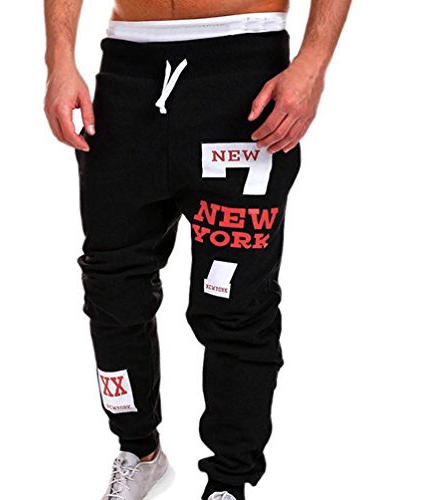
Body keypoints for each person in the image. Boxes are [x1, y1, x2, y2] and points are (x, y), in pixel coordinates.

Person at [43, 1, 351, 499]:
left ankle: (228, 480)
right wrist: (58, 59)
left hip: (242, 70)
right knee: (112, 286)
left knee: (234, 300)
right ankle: (138, 449)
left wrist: (313, 64)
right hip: (128, 73)